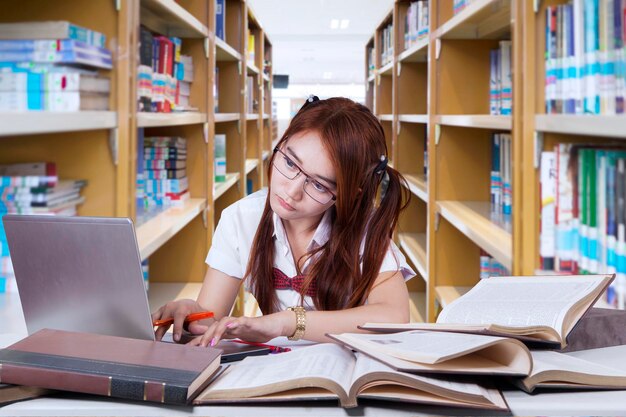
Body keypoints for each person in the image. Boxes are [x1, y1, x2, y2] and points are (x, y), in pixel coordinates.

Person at [152, 96, 415, 346]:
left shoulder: (364, 228)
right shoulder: (242, 219)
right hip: (278, 371)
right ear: (281, 144)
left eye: (319, 185)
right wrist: (190, 318)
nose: (291, 191)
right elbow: (208, 325)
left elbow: (394, 316)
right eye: (290, 163)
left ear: (349, 194)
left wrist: (288, 323)